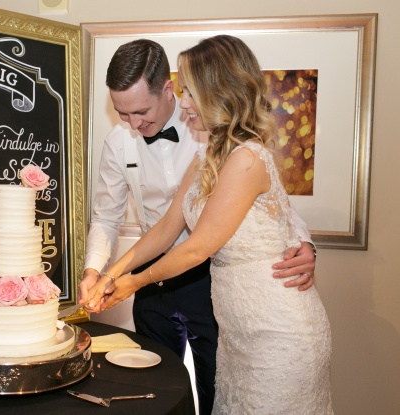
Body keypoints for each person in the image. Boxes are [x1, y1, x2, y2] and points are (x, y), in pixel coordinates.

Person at [84, 35, 333, 414]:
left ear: (219, 90)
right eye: (124, 115)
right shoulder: (209, 155)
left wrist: (132, 281)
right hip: (230, 323)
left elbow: (200, 245)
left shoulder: (246, 157)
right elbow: (165, 228)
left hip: (267, 324)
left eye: (189, 91)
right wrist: (108, 273)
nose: (185, 104)